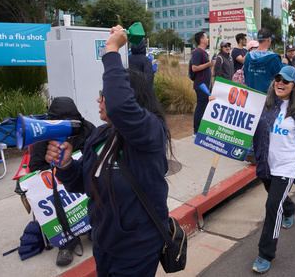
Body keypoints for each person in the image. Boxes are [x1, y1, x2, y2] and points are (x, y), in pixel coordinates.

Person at [45, 25, 172, 277]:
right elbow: (82, 184)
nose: (99, 101)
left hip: (137, 250)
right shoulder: (101, 134)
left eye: (103, 95)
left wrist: (111, 50)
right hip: (104, 245)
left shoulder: (151, 132)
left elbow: (121, 106)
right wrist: (66, 165)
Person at [251, 66, 295, 273]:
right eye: (278, 78)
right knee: (276, 199)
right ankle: (290, 209)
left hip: (287, 166)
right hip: (267, 164)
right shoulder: (265, 105)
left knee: (271, 206)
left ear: (294, 86)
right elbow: (242, 119)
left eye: (286, 81)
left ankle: (265, 253)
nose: (280, 83)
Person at [28, 96, 95, 266]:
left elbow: (96, 155)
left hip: (81, 181)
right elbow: (35, 166)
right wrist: (59, 167)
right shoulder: (44, 135)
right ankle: (67, 242)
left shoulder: (87, 128)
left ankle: (92, 227)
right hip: (57, 185)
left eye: (70, 121)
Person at [243, 28, 285, 93]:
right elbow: (281, 78)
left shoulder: (248, 57)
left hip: (251, 96)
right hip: (268, 97)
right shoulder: (274, 58)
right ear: (268, 39)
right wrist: (284, 64)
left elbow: (245, 76)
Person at [191, 31, 215, 137]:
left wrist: (211, 66)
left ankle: (201, 129)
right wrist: (209, 64)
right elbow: (194, 67)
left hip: (206, 85)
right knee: (200, 108)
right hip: (201, 86)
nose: (208, 39)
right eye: (206, 37)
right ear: (202, 40)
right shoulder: (198, 52)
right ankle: (196, 131)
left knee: (205, 107)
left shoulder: (203, 52)